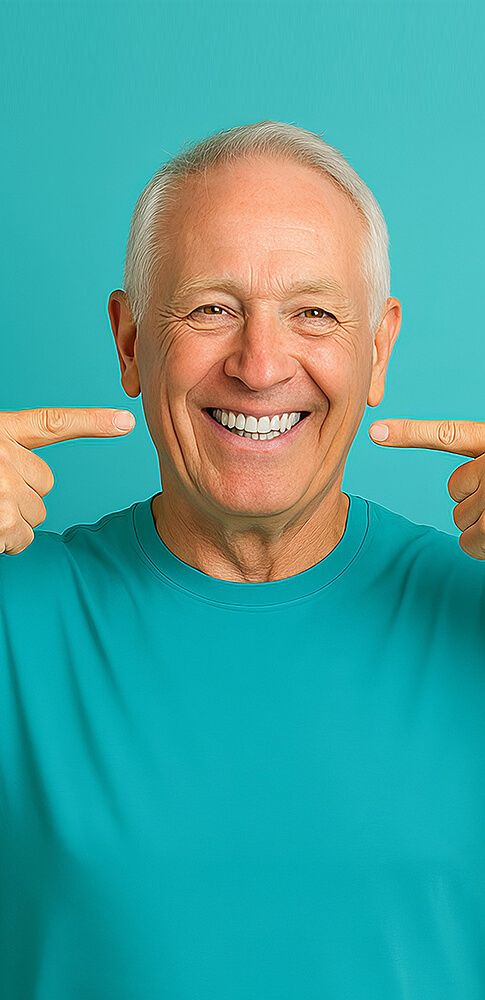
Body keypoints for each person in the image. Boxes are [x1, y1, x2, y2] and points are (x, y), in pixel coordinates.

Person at [0, 121, 484, 1000]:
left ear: (377, 348)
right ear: (129, 341)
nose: (260, 366)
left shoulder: (471, 618)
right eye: (211, 308)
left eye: (314, 313)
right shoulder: (16, 621)